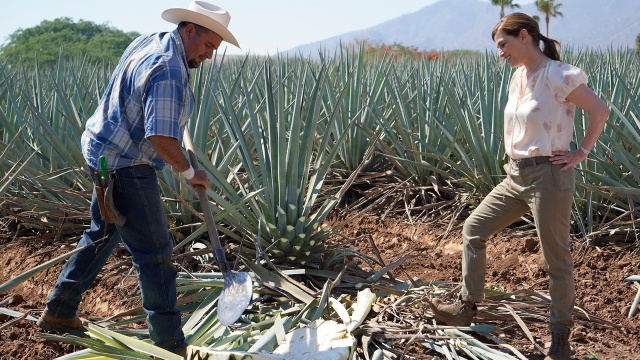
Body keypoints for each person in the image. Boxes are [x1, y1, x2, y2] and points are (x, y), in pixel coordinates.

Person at [36, 1, 240, 356]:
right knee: (155, 253)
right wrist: (191, 172)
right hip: (126, 164)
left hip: (102, 153)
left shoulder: (152, 41)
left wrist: (176, 132)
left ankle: (59, 312)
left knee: (102, 234)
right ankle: (170, 345)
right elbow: (159, 137)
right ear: (189, 29)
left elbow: (148, 110)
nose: (209, 55)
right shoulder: (169, 70)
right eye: (208, 45)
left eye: (214, 50)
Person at [429, 12, 609, 360]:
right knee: (473, 229)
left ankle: (559, 340)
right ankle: (467, 307)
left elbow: (600, 110)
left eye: (503, 44)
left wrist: (581, 152)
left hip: (549, 176)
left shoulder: (559, 75)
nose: (500, 52)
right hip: (516, 176)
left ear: (524, 36)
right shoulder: (517, 78)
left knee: (556, 259)